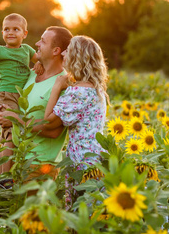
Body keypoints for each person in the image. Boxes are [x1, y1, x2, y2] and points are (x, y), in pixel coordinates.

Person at [0, 26, 73, 182]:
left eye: (43, 41)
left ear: (56, 51)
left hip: (39, 166)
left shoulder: (64, 84)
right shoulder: (31, 74)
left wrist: (15, 119)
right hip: (17, 161)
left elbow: (54, 132)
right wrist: (3, 111)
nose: (37, 43)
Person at [42, 35, 109, 209]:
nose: (63, 53)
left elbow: (48, 121)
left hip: (82, 162)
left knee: (80, 213)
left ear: (77, 57)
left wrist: (57, 86)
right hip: (95, 158)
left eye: (68, 50)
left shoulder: (79, 92)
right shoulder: (96, 88)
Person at [0, 13, 42, 174]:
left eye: (16, 29)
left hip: (22, 96)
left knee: (10, 134)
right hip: (6, 95)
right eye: (6, 29)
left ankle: (2, 168)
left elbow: (42, 58)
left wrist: (40, 62)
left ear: (24, 34)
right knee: (12, 131)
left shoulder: (27, 50)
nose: (10, 32)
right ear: (2, 33)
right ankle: (4, 177)